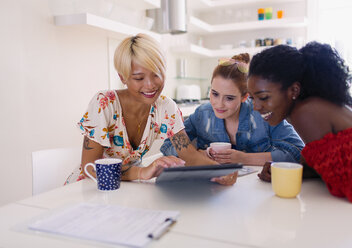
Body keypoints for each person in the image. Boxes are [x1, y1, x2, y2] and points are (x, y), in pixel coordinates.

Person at [67, 33, 236, 185]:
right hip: (88, 188)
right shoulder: (104, 103)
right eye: (139, 78)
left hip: (126, 188)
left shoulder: (165, 107)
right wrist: (141, 172)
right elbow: (91, 168)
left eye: (156, 74)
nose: (150, 85)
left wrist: (219, 170)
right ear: (122, 77)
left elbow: (188, 154)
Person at [247, 42, 352, 202]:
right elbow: (327, 166)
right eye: (252, 98)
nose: (255, 106)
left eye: (263, 97)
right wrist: (290, 171)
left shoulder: (304, 113)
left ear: (294, 90)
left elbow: (342, 181)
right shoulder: (315, 105)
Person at [161, 53, 304, 166]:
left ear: (244, 97)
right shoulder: (202, 115)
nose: (219, 104)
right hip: (215, 189)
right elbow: (168, 146)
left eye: (229, 98)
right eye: (214, 94)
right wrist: (198, 155)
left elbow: (299, 152)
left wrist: (245, 158)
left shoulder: (263, 114)